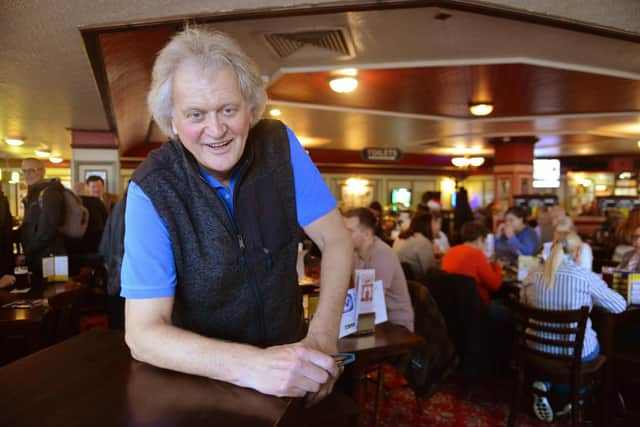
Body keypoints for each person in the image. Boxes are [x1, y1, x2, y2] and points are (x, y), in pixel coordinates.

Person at [121, 27, 352, 405]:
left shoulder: (279, 145)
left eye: (228, 109)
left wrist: (323, 336)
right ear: (173, 122)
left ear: (249, 108)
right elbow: (143, 334)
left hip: (291, 365)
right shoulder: (152, 188)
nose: (216, 130)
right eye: (196, 114)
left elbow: (337, 240)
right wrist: (255, 366)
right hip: (204, 386)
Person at [521, 231, 626, 421]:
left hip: (536, 351)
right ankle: (579, 398)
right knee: (594, 348)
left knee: (569, 350)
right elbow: (619, 306)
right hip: (573, 356)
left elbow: (524, 302)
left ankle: (545, 384)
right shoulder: (584, 276)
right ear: (579, 252)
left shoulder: (531, 274)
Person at [343, 207, 415, 332]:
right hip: (373, 321)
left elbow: (373, 303)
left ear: (367, 234)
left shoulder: (382, 254)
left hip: (396, 325)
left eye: (349, 231)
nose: (344, 235)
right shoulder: (354, 253)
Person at [19, 157, 65, 283]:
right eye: (24, 171)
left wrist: (28, 252)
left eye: (31, 170)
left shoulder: (50, 192)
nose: (27, 175)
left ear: (42, 171)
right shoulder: (34, 194)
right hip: (40, 255)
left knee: (53, 294)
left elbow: (48, 229)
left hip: (51, 256)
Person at [442, 221, 503, 308]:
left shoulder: (450, 251)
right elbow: (495, 285)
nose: (485, 246)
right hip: (477, 306)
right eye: (484, 242)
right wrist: (497, 266)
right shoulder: (477, 255)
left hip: (454, 306)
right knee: (509, 312)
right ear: (479, 239)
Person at [392, 212, 435, 281]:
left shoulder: (401, 237)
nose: (435, 226)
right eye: (433, 223)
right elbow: (429, 271)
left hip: (398, 281)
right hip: (415, 285)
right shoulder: (423, 242)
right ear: (427, 225)